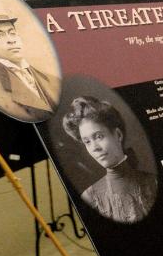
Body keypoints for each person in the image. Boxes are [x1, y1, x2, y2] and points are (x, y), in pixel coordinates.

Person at [61, 95, 157, 223]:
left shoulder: (154, 182)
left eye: (99, 136)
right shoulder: (90, 197)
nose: (94, 147)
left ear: (118, 134)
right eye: (87, 142)